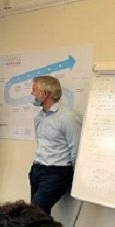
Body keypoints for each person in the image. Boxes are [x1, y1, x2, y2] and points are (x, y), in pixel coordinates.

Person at [29, 75, 82, 215]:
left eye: (34, 90)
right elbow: (42, 144)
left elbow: (76, 149)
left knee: (37, 212)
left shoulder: (68, 117)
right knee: (35, 214)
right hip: (37, 169)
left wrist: (77, 180)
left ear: (45, 94)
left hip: (57, 172)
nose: (32, 94)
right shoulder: (39, 117)